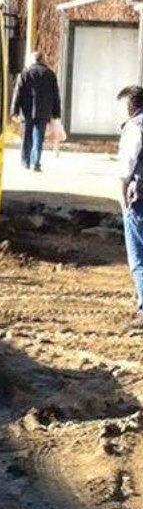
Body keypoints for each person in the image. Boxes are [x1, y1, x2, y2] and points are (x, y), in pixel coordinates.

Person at [116, 85, 143, 328]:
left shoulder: (135, 128)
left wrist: (122, 196)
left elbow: (126, 167)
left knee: (138, 259)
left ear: (130, 106)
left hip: (140, 201)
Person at [10, 50, 62, 172]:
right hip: (43, 112)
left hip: (27, 111)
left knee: (27, 137)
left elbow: (18, 93)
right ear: (42, 60)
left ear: (32, 60)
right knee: (39, 137)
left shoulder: (25, 73)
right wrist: (56, 113)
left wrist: (15, 111)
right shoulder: (50, 74)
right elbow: (56, 96)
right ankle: (36, 163)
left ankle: (25, 161)